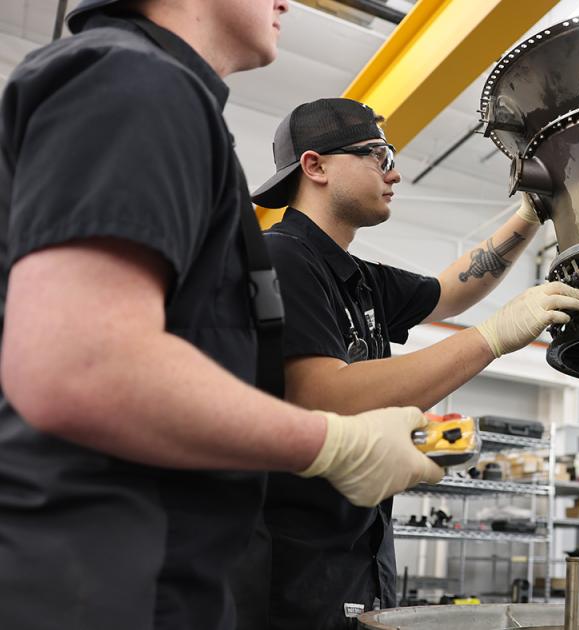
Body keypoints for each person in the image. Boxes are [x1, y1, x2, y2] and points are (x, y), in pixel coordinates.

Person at [0, 2, 444, 629]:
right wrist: (330, 442)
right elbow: (81, 367)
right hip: (104, 582)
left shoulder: (168, 103)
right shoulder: (134, 84)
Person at [245, 97, 579, 628]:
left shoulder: (359, 279)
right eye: (378, 156)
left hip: (361, 568)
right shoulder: (283, 258)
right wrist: (492, 337)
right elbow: (325, 395)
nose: (395, 172)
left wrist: (529, 215)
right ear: (315, 166)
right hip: (293, 578)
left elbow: (450, 291)